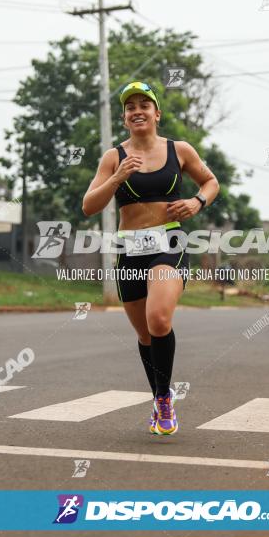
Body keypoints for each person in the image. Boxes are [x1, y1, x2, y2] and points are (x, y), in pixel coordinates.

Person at [82, 81, 219, 435]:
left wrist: (196, 202)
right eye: (131, 107)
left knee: (158, 319)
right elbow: (88, 206)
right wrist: (117, 178)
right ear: (125, 118)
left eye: (145, 104)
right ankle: (161, 394)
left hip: (168, 242)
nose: (137, 110)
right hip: (129, 249)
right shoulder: (114, 157)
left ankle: (162, 401)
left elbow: (210, 182)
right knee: (145, 335)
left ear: (157, 113)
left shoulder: (179, 150)